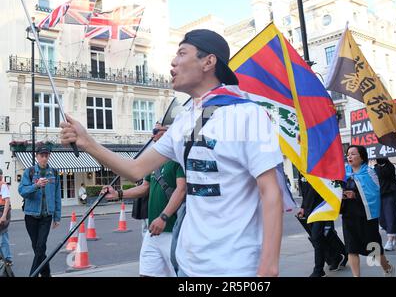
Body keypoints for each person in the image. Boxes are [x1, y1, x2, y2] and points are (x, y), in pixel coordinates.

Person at [60, 29, 284, 277]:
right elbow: (135, 168)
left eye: (182, 53)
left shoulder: (246, 114)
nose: (173, 61)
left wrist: (269, 268)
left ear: (208, 62)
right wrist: (87, 142)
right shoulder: (186, 119)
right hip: (188, 265)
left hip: (236, 267)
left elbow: (270, 190)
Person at [102, 124, 186, 276]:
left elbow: (181, 190)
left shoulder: (178, 159)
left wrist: (163, 217)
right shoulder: (155, 163)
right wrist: (118, 194)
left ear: (168, 132)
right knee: (146, 274)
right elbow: (144, 187)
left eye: (155, 131)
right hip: (153, 231)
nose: (152, 136)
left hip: (173, 231)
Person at [341, 145, 395, 277]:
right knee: (351, 249)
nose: (349, 156)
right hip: (349, 215)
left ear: (362, 157)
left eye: (353, 154)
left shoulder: (370, 172)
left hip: (366, 215)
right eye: (348, 154)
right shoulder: (343, 173)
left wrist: (355, 195)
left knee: (373, 248)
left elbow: (374, 193)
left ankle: (387, 268)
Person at [18, 145, 61, 277]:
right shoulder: (29, 172)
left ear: (49, 156)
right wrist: (35, 185)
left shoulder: (53, 173)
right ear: (37, 156)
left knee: (41, 246)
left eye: (46, 155)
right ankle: (47, 274)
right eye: (41, 155)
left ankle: (33, 274)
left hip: (46, 216)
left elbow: (57, 196)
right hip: (31, 215)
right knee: (38, 248)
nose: (44, 158)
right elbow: (22, 191)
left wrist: (57, 217)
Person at [296, 177, 347, 277]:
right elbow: (305, 191)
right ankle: (338, 256)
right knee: (324, 236)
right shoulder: (301, 169)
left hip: (322, 209)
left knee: (317, 238)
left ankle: (318, 271)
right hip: (308, 210)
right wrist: (303, 207)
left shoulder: (319, 165)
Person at [375, 158, 396, 251]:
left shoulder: (389, 166)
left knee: (390, 217)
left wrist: (377, 167)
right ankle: (393, 236)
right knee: (382, 220)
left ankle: (390, 240)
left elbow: (384, 174)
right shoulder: (375, 167)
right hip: (379, 196)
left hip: (390, 195)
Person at [0, 169, 12, 265]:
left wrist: (3, 216)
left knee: (3, 235)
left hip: (3, 211)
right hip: (2, 210)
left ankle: (7, 258)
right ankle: (4, 257)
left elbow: (7, 201)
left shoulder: (3, 185)